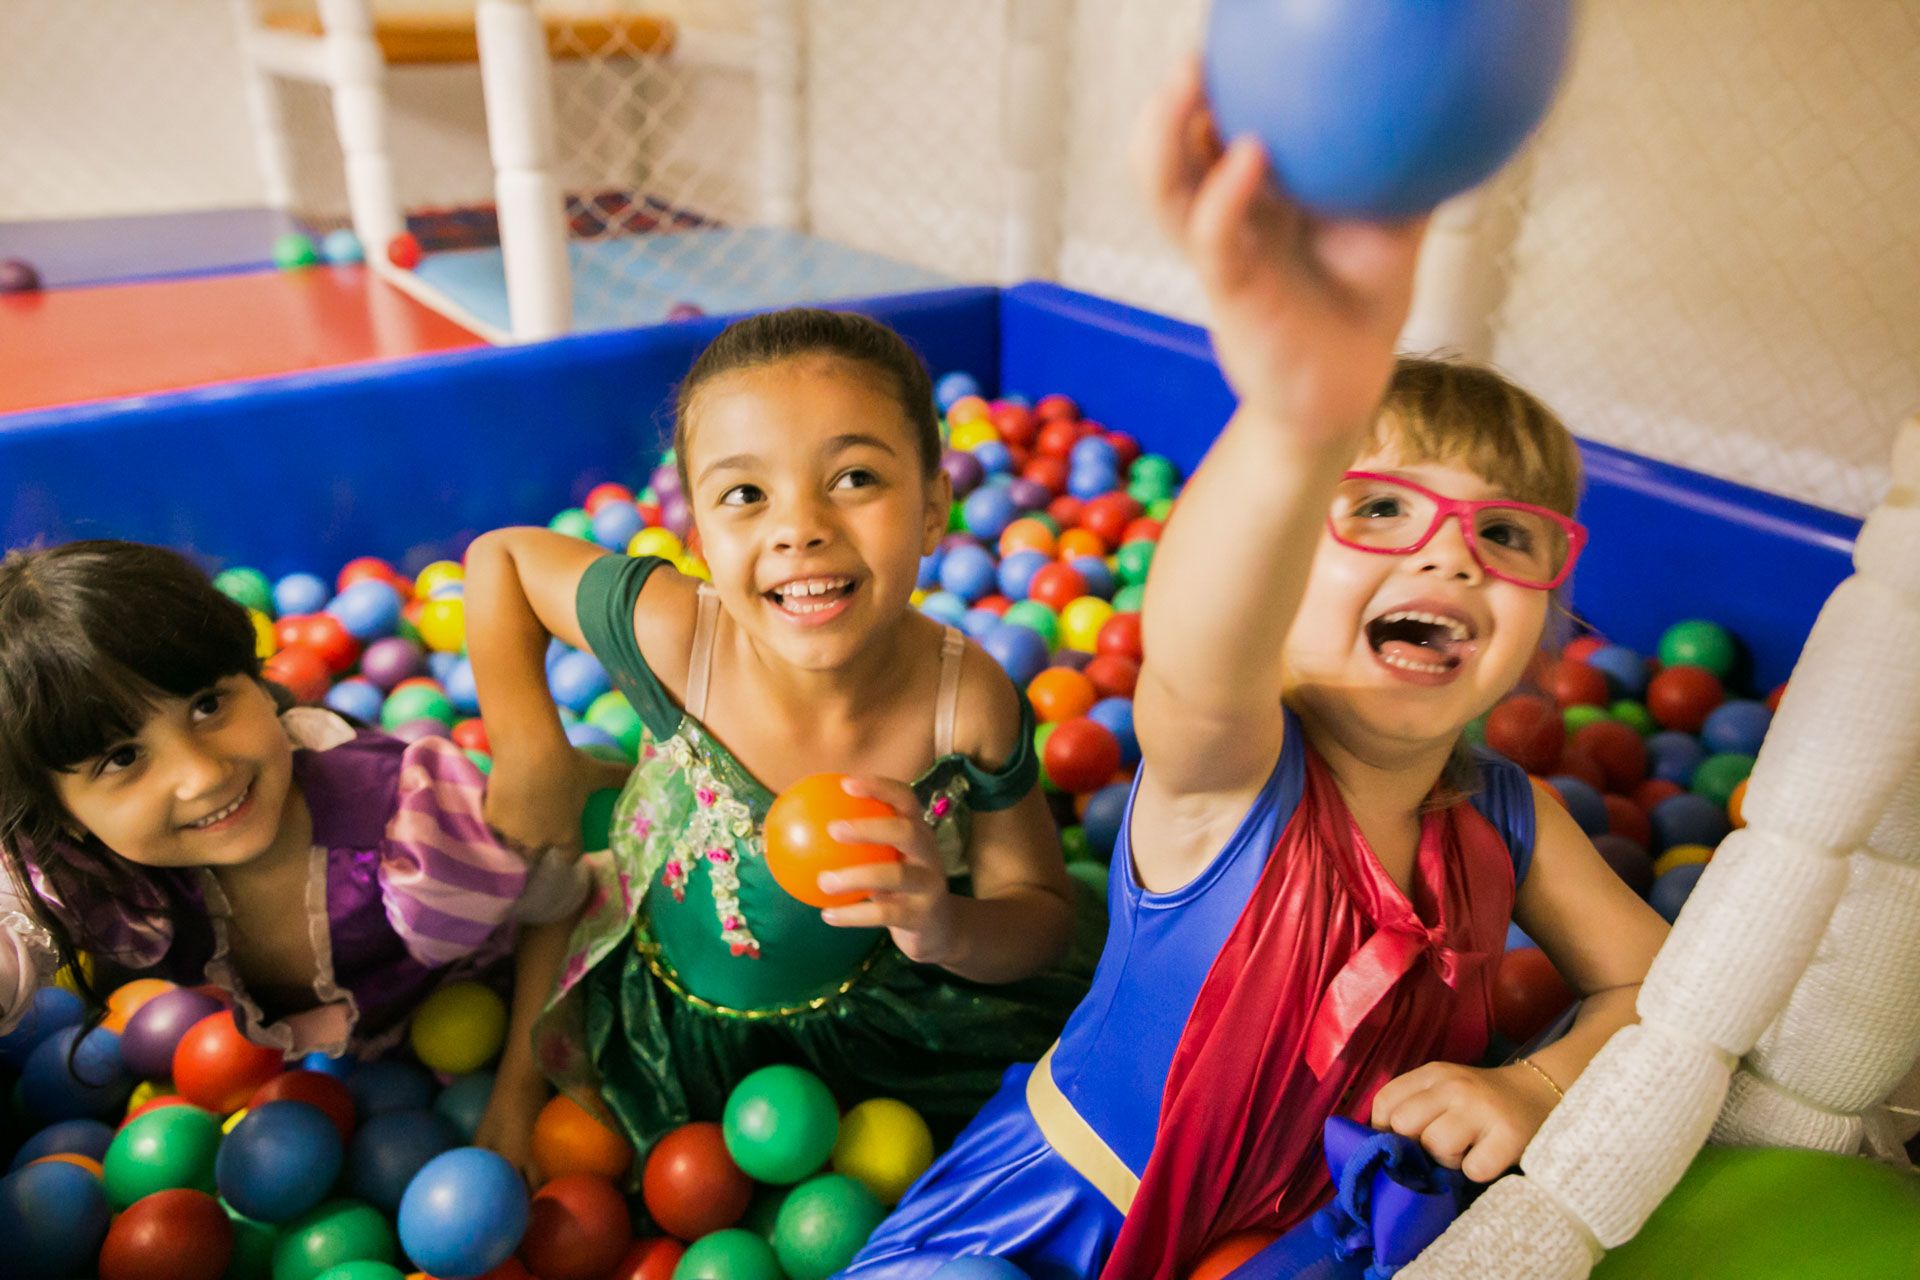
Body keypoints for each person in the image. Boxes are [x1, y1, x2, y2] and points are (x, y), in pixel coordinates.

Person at [844, 58, 1667, 1279]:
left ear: (1549, 617)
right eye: (1377, 510)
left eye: (1507, 534)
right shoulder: (1232, 771)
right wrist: (1295, 419)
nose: (1451, 556)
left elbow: (1661, 989)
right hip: (1049, 1226)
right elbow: (1192, 652)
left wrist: (1535, 1083)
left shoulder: (1513, 819)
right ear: (1275, 576)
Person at [466, 309, 1100, 1172]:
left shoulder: (966, 702)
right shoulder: (679, 639)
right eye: (745, 494)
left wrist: (945, 926)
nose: (800, 527)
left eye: (854, 478)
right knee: (565, 866)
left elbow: (1042, 915)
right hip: (659, 1007)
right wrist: (529, 749)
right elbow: (501, 560)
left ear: (932, 510)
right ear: (698, 535)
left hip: (873, 1032)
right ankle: (516, 1087)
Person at [0, 539, 590, 1059]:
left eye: (208, 705)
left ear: (257, 679)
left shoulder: (410, 825)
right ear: (61, 816)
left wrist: (520, 1084)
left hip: (487, 1006)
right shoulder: (82, 875)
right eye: (123, 758)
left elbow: (563, 898)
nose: (203, 775)